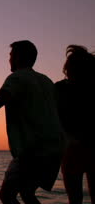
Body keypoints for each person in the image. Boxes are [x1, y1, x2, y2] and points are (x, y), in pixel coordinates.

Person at [0, 40, 62, 204]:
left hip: (33, 150)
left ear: (19, 57)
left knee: (6, 195)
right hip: (54, 149)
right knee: (27, 193)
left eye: (11, 55)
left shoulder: (17, 78)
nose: (9, 59)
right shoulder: (46, 81)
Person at [55, 45, 95, 204]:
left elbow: (53, 117)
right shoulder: (60, 88)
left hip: (73, 148)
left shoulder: (60, 88)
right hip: (81, 148)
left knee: (75, 199)